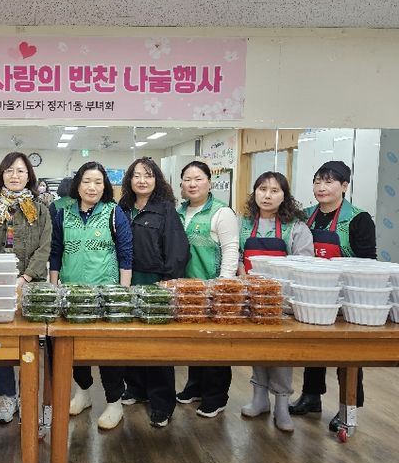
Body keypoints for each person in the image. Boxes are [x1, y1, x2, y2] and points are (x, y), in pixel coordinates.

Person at [289, 161, 376, 432]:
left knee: (347, 354)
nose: (321, 187)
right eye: (317, 181)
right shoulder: (305, 215)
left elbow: (368, 261)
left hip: (347, 295)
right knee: (313, 345)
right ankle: (311, 396)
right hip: (314, 291)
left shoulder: (359, 218)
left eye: (329, 182)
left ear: (344, 185)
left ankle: (348, 408)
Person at [50, 161, 133, 430]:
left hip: (105, 295)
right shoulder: (63, 214)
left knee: (108, 352)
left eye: (98, 182)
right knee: (74, 350)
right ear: (78, 185)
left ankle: (114, 402)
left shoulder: (113, 212)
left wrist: (122, 293)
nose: (92, 187)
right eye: (87, 181)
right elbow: (55, 252)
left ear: (105, 186)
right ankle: (83, 393)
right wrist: (54, 288)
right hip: (72, 294)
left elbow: (126, 253)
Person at [0, 152, 52, 424]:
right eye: (9, 170)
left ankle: (28, 396)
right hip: (0, 285)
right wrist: (5, 276)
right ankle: (8, 397)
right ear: (1, 175)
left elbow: (45, 246)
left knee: (31, 344)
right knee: (3, 344)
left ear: (29, 176)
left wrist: (26, 277)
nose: (15, 176)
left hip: (32, 285)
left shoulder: (40, 208)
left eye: (20, 171)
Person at [237, 171, 314, 432]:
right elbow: (236, 254)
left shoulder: (297, 227)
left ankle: (282, 402)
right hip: (251, 297)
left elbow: (305, 263)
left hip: (283, 301)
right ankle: (259, 398)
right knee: (256, 347)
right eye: (262, 189)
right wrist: (241, 271)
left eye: (274, 191)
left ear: (284, 196)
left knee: (281, 352)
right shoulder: (243, 223)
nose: (267, 196)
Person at [118, 158, 190, 428]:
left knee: (157, 345)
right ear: (129, 180)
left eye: (147, 175)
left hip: (155, 282)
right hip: (127, 280)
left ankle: (162, 403)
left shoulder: (165, 209)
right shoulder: (122, 208)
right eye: (136, 175)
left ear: (156, 180)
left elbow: (178, 248)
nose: (142, 180)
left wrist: (167, 282)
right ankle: (136, 388)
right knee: (129, 340)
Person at [175, 161, 239, 418]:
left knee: (215, 343)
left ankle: (216, 396)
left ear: (209, 183)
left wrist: (223, 285)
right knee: (194, 341)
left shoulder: (221, 212)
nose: (192, 184)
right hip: (187, 290)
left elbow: (231, 250)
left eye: (198, 178)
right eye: (187, 179)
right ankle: (195, 387)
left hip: (213, 288)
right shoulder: (179, 211)